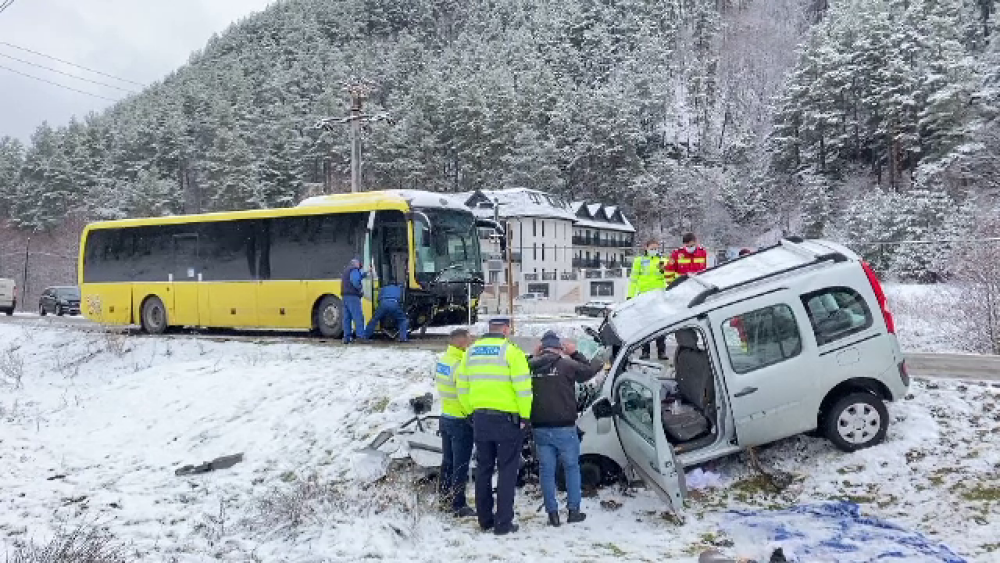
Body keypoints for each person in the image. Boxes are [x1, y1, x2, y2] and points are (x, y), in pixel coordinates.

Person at [456, 316, 532, 536]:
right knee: (507, 470)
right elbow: (523, 388)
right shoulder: (511, 351)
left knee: (483, 469)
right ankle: (503, 523)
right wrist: (525, 417)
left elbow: (462, 386)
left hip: (480, 418)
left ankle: (485, 520)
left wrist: (469, 411)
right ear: (506, 329)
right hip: (507, 420)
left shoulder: (470, 352)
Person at [529, 330, 606, 527]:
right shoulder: (566, 364)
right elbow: (589, 370)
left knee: (546, 471)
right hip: (564, 426)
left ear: (542, 347)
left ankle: (552, 515)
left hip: (540, 427)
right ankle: (573, 511)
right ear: (559, 348)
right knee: (572, 468)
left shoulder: (530, 365)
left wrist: (533, 354)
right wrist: (575, 353)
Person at [435, 328, 476, 518]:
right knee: (461, 465)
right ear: (461, 343)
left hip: (445, 417)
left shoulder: (444, 360)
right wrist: (471, 414)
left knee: (448, 462)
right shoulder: (461, 365)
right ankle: (458, 504)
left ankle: (444, 497)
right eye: (469, 340)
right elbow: (463, 393)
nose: (471, 343)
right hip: (460, 420)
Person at [628, 239, 668, 360]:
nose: (654, 250)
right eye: (652, 248)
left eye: (656, 248)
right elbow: (633, 280)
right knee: (645, 325)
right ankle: (645, 351)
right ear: (646, 248)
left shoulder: (662, 261)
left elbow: (667, 276)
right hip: (644, 297)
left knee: (661, 324)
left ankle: (661, 351)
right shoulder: (639, 261)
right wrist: (630, 295)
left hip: (658, 296)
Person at [340, 258, 367, 344]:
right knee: (358, 316)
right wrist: (360, 289)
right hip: (353, 296)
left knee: (347, 318)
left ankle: (346, 338)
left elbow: (357, 277)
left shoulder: (346, 271)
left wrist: (366, 274)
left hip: (345, 296)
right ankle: (360, 337)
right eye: (359, 264)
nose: (360, 266)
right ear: (356, 264)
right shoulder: (354, 270)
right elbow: (355, 281)